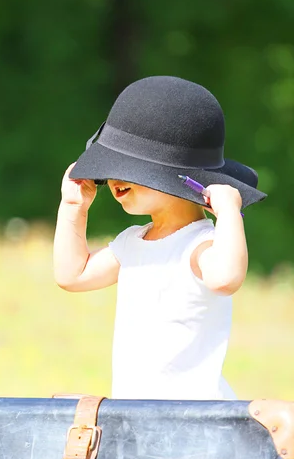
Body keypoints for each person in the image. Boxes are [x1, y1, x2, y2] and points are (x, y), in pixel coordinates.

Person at [53, 76, 266, 400]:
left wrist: (228, 215)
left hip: (195, 417)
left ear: (184, 180)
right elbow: (72, 275)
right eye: (111, 167)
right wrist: (73, 207)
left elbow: (225, 280)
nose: (114, 179)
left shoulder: (200, 246)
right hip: (138, 412)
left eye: (130, 169)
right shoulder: (132, 242)